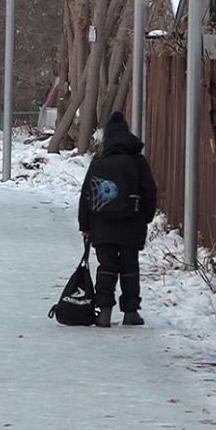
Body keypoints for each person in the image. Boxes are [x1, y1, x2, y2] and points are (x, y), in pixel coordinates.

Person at [77, 111, 158, 327]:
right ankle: (130, 312)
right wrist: (146, 217)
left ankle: (104, 311)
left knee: (106, 266)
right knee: (130, 266)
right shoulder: (137, 161)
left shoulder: (99, 161)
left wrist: (85, 225)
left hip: (102, 224)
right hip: (132, 222)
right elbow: (149, 191)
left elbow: (86, 194)